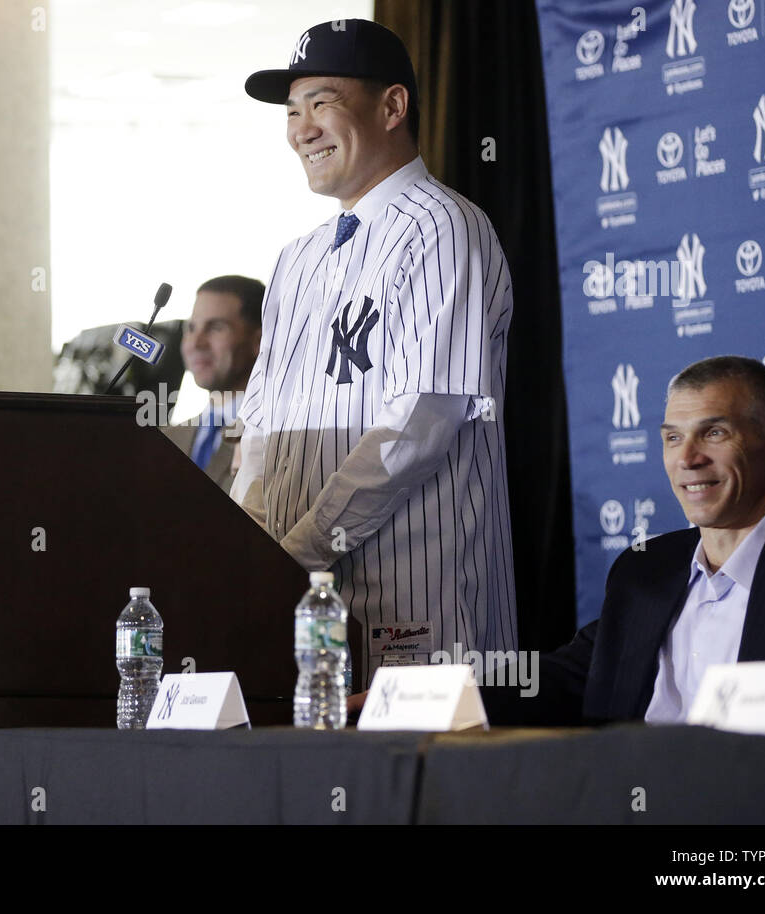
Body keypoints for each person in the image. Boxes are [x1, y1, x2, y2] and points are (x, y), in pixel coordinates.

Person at [234, 19, 517, 678]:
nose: (301, 127)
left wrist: (298, 550)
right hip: (307, 603)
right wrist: (243, 553)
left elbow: (419, 425)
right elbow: (260, 431)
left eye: (322, 102)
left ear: (392, 107)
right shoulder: (296, 258)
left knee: (427, 781)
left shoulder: (443, 225)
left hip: (419, 605)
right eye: (292, 109)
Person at [482, 356, 765, 725]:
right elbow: (572, 675)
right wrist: (448, 699)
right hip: (631, 777)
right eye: (673, 437)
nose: (687, 458)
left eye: (714, 433)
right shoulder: (644, 568)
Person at [163, 275, 264, 492]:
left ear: (259, 341)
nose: (195, 343)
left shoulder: (277, 440)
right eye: (190, 328)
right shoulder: (165, 439)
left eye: (216, 327)